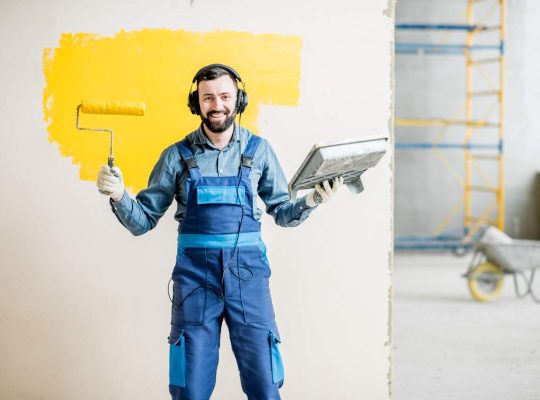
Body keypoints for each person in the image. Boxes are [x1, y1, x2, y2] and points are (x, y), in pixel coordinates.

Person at [96, 64, 343, 400]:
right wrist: (119, 195)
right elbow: (142, 222)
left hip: (249, 277)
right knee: (190, 387)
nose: (217, 105)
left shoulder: (258, 151)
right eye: (208, 97)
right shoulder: (176, 157)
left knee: (265, 384)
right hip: (196, 280)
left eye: (225, 96)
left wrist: (312, 200)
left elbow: (283, 214)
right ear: (196, 103)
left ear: (238, 100)